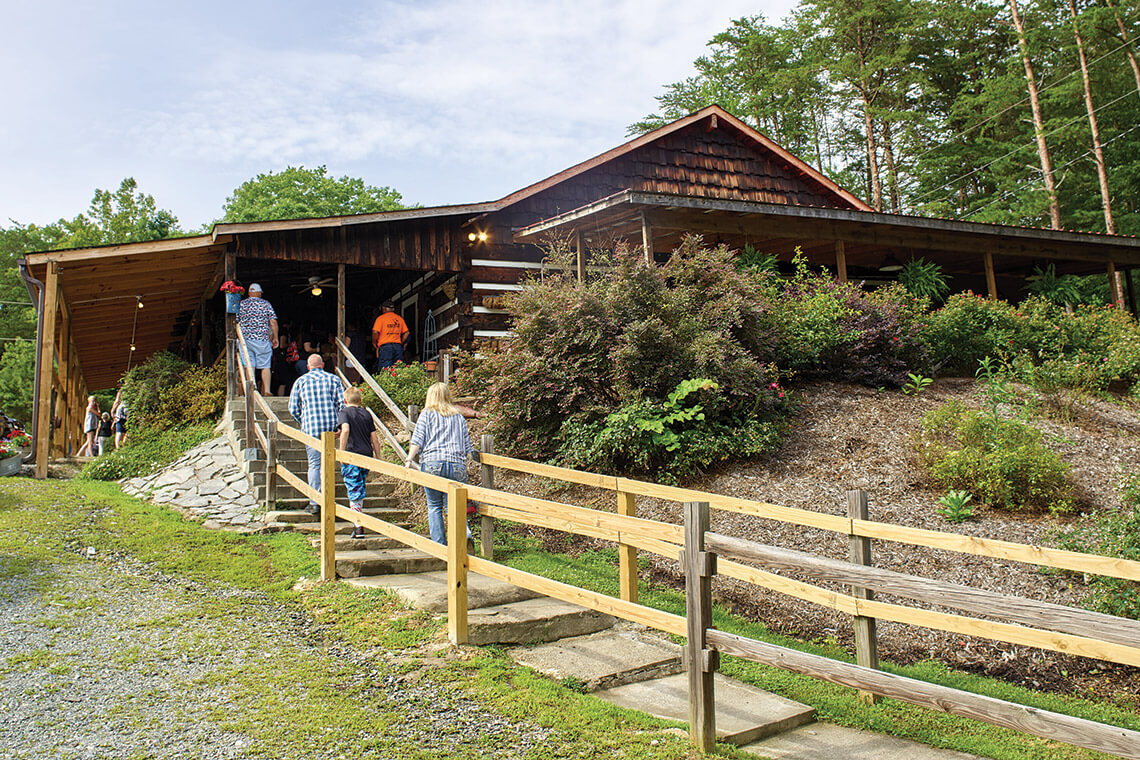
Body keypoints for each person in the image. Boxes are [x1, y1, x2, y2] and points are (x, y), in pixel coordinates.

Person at [405, 382, 479, 546]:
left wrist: (410, 459)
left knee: (434, 506)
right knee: (453, 506)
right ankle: (464, 535)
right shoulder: (458, 416)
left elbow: (417, 440)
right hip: (456, 465)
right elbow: (468, 446)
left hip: (433, 464)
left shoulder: (426, 414)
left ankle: (440, 545)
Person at [288, 353, 346, 516]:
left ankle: (314, 502)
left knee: (314, 465)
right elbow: (342, 403)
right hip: (331, 429)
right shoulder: (334, 380)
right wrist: (340, 425)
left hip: (310, 429)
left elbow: (293, 408)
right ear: (322, 365)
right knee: (327, 465)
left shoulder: (300, 381)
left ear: (308, 367)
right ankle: (328, 499)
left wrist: (304, 422)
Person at [337, 386, 383, 539]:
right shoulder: (366, 413)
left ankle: (358, 526)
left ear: (344, 401)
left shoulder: (344, 412)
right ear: (360, 400)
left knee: (353, 488)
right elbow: (374, 438)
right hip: (366, 455)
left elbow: (345, 430)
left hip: (352, 455)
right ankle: (358, 523)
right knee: (359, 486)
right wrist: (378, 459)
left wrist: (341, 453)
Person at [237, 283, 279, 396]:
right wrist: (275, 337)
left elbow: (235, 321)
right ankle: (267, 391)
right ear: (259, 293)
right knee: (265, 365)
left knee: (249, 365)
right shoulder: (266, 304)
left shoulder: (241, 304)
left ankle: (250, 391)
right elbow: (273, 322)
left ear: (249, 293)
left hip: (245, 340)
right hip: (262, 339)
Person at [372, 302, 409, 370]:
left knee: (385, 368)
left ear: (384, 309)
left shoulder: (380, 319)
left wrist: (374, 343)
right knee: (397, 368)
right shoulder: (399, 319)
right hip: (397, 347)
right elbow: (406, 333)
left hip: (385, 347)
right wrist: (401, 342)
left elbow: (375, 332)